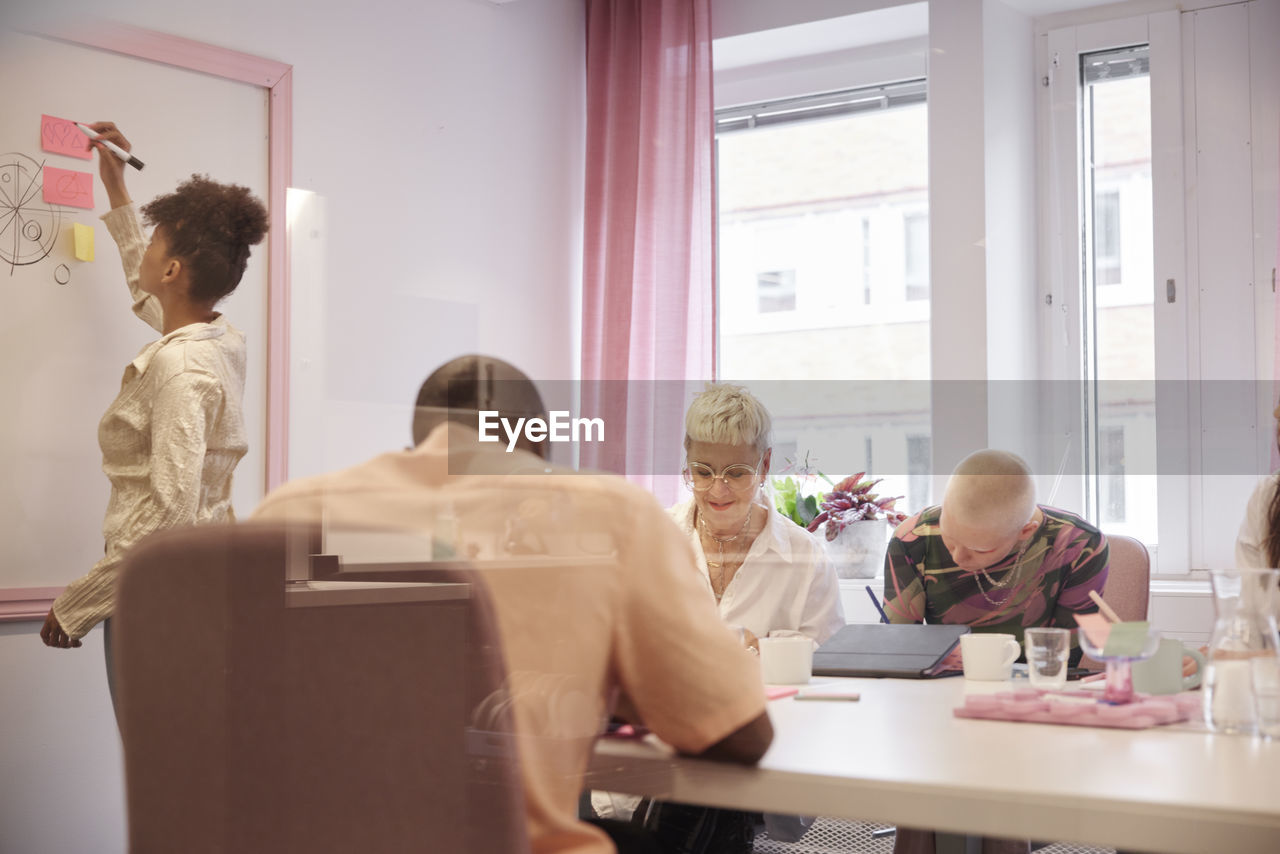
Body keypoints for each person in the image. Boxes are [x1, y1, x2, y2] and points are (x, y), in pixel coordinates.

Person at [251, 355, 774, 854]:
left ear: (419, 437)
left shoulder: (290, 512)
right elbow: (741, 736)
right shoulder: (610, 513)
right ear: (536, 449)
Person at [40, 123, 267, 706]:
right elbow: (152, 297)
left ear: (171, 271)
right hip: (196, 588)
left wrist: (78, 605)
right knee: (188, 763)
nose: (149, 245)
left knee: (168, 771)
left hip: (160, 598)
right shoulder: (215, 341)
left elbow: (169, 513)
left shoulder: (181, 369)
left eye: (157, 239)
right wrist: (117, 189)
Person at [882, 449, 1109, 854]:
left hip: (1034, 710)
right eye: (952, 537)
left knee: (999, 784)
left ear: (1024, 531)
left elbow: (1060, 662)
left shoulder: (1077, 546)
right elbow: (902, 656)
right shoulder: (913, 540)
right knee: (927, 790)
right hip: (939, 708)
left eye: (978, 549)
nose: (958, 556)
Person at [670, 383, 845, 649]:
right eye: (703, 472)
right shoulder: (652, 540)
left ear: (764, 466)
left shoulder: (805, 557)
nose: (718, 490)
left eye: (736, 473)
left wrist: (764, 648)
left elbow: (831, 659)